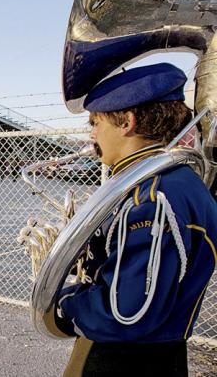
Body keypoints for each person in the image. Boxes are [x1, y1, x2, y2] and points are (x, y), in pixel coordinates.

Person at [47, 63, 217, 376]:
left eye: (96, 122)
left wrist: (64, 303)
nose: (93, 134)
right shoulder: (169, 182)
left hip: (127, 361)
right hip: (152, 355)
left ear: (126, 121)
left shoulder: (153, 196)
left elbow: (126, 313)